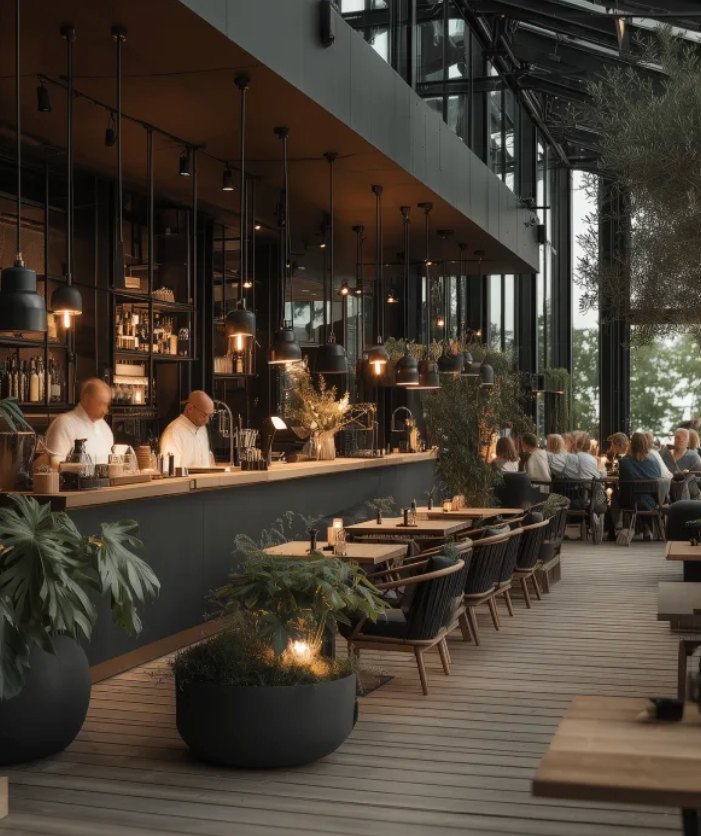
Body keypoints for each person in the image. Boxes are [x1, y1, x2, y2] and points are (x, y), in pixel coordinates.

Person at [45, 378, 114, 464]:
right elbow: (55, 466)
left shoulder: (105, 428)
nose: (105, 410)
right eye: (101, 404)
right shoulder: (64, 423)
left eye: (106, 405)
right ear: (86, 399)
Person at [617, 432, 662, 539]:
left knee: (615, 495)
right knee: (636, 496)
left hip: (631, 502)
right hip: (653, 501)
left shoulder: (625, 462)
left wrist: (628, 454)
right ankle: (645, 527)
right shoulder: (654, 461)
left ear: (631, 445)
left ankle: (616, 528)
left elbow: (622, 481)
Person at [160, 391, 216, 469]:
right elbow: (169, 470)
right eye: (204, 415)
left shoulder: (202, 429)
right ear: (189, 408)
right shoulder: (174, 431)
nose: (207, 421)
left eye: (210, 416)